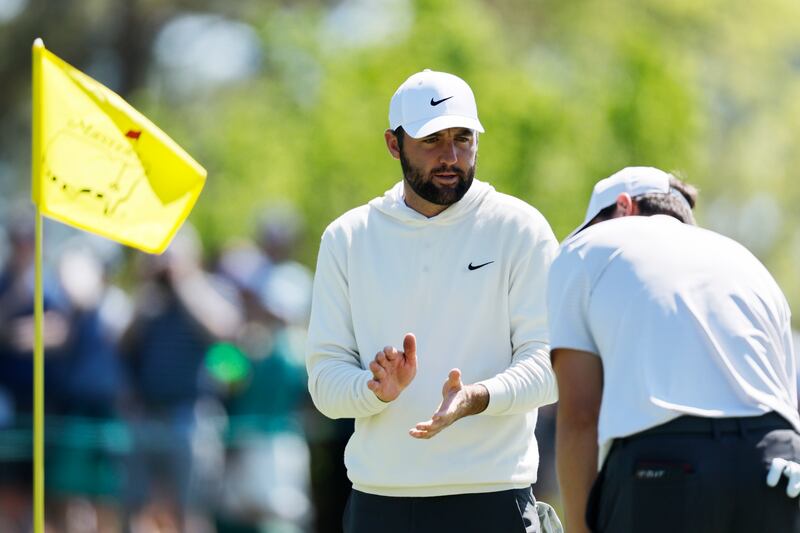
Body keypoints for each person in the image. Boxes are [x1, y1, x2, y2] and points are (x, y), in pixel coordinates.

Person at [306, 69, 561, 533]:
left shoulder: (520, 228)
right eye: (431, 140)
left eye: (463, 138)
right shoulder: (347, 238)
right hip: (379, 504)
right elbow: (324, 382)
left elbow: (551, 364)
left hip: (493, 498)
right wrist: (373, 389)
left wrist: (478, 397)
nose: (451, 156)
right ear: (392, 143)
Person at [546, 166, 800, 533]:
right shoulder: (745, 260)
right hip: (777, 463)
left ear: (623, 207)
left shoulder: (584, 249)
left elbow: (581, 414)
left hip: (666, 465)